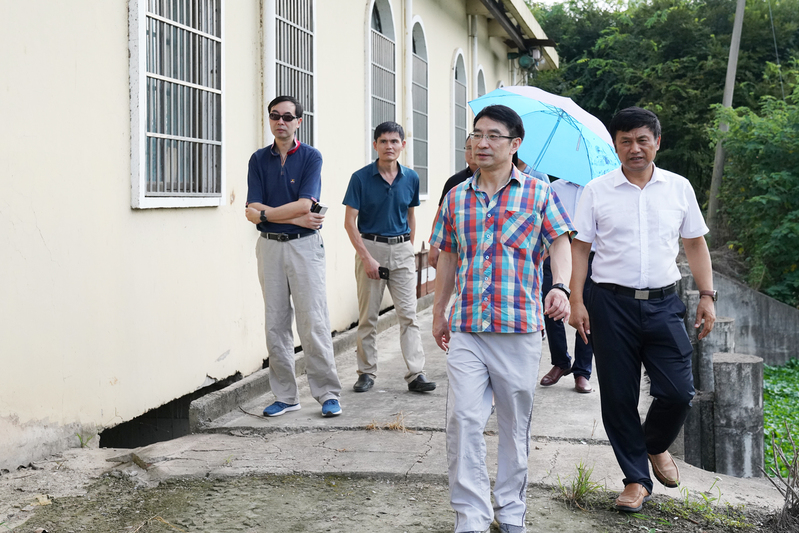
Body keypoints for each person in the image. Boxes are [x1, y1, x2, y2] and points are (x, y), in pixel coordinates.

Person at [431, 105, 574, 533]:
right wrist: (439, 310)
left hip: (518, 328)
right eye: (477, 134)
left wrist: (560, 286)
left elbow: (560, 241)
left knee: (514, 428)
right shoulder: (456, 197)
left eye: (493, 135)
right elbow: (447, 255)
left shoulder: (539, 193)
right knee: (463, 420)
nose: (482, 143)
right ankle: (471, 517)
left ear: (515, 144)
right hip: (468, 326)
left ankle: (510, 512)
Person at [569, 107, 717, 513]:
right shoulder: (596, 190)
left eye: (642, 140)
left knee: (678, 392)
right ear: (615, 146)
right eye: (625, 141)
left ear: (657, 142)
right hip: (609, 304)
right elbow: (580, 248)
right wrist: (576, 299)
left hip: (664, 303)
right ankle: (636, 480)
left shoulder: (678, 188)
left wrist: (707, 294)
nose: (634, 148)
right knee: (619, 396)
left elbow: (695, 243)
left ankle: (653, 443)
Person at [245, 95, 343, 418]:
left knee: (313, 320)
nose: (281, 122)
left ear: (299, 121)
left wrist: (266, 214)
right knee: (275, 323)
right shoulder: (258, 160)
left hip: (304, 247)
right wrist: (294, 218)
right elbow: (251, 208)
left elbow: (304, 204)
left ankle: (327, 393)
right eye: (275, 116)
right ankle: (286, 396)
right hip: (270, 247)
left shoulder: (311, 157)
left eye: (288, 117)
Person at [343, 121, 436, 394]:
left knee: (409, 315)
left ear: (403, 145)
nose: (389, 146)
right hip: (371, 248)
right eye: (383, 141)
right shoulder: (360, 178)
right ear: (375, 145)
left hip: (402, 250)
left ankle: (416, 373)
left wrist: (407, 248)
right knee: (368, 317)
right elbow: (349, 222)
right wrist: (366, 258)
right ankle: (366, 373)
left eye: (394, 141)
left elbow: (410, 215)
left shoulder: (411, 178)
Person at [539, 178, 595, 393]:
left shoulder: (598, 189)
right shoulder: (554, 188)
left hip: (589, 257)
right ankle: (560, 361)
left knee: (586, 312)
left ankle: (582, 371)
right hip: (556, 255)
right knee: (551, 308)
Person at [429, 136, 479, 269]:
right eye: (468, 148)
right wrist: (433, 247)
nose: (471, 152)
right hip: (457, 247)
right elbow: (440, 215)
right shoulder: (455, 181)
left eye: (474, 148)